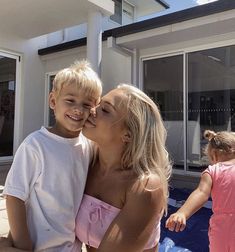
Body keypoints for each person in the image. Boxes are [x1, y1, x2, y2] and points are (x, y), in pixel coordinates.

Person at [2, 60, 102, 251]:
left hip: (71, 246)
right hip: (37, 246)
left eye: (87, 104)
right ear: (53, 101)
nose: (78, 109)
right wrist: (23, 245)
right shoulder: (35, 145)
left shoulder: (89, 146)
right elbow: (14, 196)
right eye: (70, 100)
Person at [75, 84, 172, 252]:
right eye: (98, 104)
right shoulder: (86, 163)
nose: (92, 110)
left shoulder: (145, 186)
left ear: (128, 134)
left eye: (104, 110)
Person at [165, 130, 235, 252]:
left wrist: (182, 213)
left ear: (214, 155)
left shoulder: (213, 171)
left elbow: (201, 193)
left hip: (221, 230)